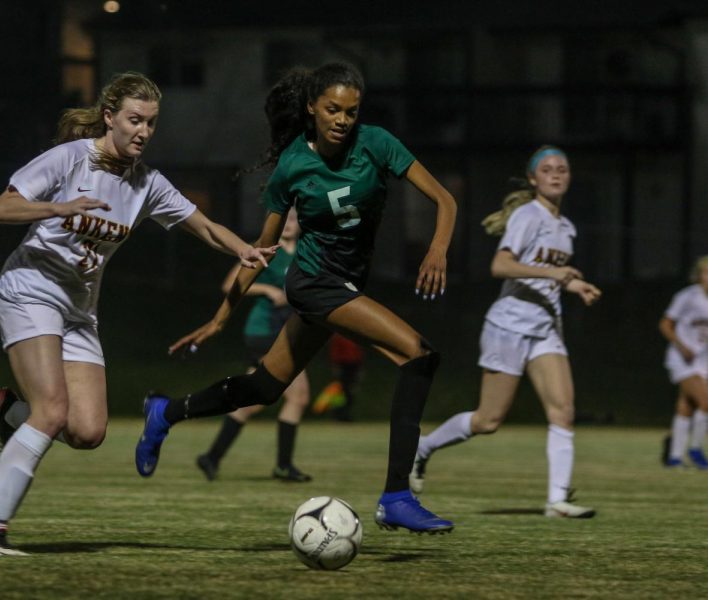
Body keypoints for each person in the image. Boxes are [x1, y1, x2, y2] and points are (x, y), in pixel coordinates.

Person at [0, 72, 277, 556]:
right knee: (53, 412)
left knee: (87, 432)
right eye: (135, 120)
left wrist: (245, 250)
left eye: (151, 123)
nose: (144, 131)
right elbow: (0, 210)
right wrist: (57, 207)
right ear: (110, 117)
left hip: (80, 311)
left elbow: (206, 227)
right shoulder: (69, 159)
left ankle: (12, 414)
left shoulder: (147, 182)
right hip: (31, 290)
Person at [137, 62, 459, 534]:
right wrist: (221, 316)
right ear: (312, 107)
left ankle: (164, 412)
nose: (343, 119)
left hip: (343, 287)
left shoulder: (377, 144)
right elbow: (261, 252)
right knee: (419, 356)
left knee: (263, 388)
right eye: (332, 109)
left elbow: (446, 201)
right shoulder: (293, 164)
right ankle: (396, 496)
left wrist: (437, 249)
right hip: (313, 285)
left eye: (351, 111)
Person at [410, 146, 602, 519]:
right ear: (533, 179)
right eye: (547, 170)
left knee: (563, 411)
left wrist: (572, 284)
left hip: (544, 329)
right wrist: (553, 274)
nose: (556, 174)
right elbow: (501, 265)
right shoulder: (528, 216)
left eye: (562, 169)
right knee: (488, 420)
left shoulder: (566, 227)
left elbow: (548, 275)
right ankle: (423, 449)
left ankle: (557, 500)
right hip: (509, 326)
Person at [195, 209, 313, 483]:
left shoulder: (306, 252)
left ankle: (211, 456)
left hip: (285, 331)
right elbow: (229, 284)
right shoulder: (268, 249)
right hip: (264, 330)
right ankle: (283, 466)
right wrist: (269, 291)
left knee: (252, 400)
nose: (288, 224)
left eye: (294, 219)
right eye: (285, 219)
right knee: (298, 395)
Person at [658, 256, 708, 469]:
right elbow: (665, 324)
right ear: (698, 275)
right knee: (706, 402)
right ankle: (696, 449)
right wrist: (681, 345)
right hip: (682, 359)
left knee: (686, 406)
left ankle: (675, 457)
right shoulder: (687, 296)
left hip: (703, 360)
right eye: (706, 273)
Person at [312, 333, 365, 422]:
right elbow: (334, 352)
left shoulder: (355, 335)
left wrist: (360, 369)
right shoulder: (339, 335)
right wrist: (336, 367)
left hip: (354, 366)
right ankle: (337, 415)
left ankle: (346, 414)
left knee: (351, 392)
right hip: (342, 366)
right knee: (339, 393)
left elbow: (359, 353)